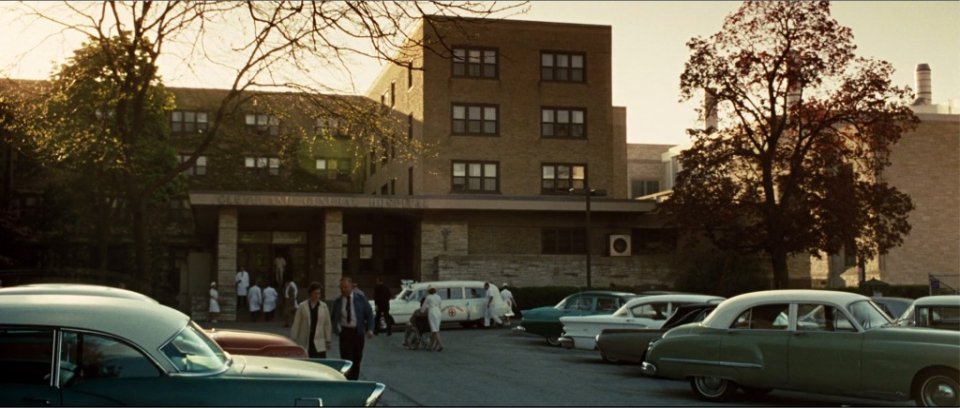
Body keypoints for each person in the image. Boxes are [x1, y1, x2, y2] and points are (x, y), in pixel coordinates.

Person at [332, 276, 374, 380]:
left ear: (351, 286)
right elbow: (333, 317)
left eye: (345, 287)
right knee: (346, 359)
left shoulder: (360, 299)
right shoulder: (338, 301)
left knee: (357, 358)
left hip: (357, 333)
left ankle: (354, 380)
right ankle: (347, 380)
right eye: (341, 287)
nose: (343, 290)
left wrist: (370, 329)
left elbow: (369, 314)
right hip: (345, 333)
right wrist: (337, 330)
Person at [291, 282, 332, 358]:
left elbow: (327, 324)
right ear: (310, 294)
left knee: (320, 362)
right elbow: (297, 323)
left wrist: (328, 340)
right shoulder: (302, 306)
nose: (317, 296)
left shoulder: (324, 306)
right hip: (306, 338)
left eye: (319, 294)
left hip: (319, 339)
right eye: (315, 293)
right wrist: (294, 338)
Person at [420, 286, 444, 351]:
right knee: (435, 329)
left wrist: (421, 312)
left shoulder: (428, 297)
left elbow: (423, 307)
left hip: (432, 312)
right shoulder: (439, 297)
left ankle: (440, 344)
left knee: (434, 330)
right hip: (438, 312)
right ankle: (432, 346)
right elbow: (440, 306)